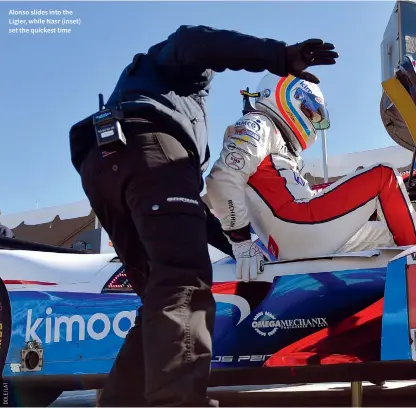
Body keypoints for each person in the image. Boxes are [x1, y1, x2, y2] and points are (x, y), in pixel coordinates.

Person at [69, 25, 339, 407]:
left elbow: (188, 210)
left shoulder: (142, 84)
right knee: (183, 284)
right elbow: (191, 41)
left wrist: (236, 241)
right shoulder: (180, 68)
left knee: (158, 298)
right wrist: (280, 56)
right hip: (147, 144)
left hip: (102, 163)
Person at [206, 73, 416, 282]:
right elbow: (223, 177)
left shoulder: (279, 145)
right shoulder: (259, 123)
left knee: (384, 235)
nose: (313, 120)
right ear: (287, 96)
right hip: (297, 224)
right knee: (383, 174)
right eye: (309, 110)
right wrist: (240, 242)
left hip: (292, 236)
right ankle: (413, 270)